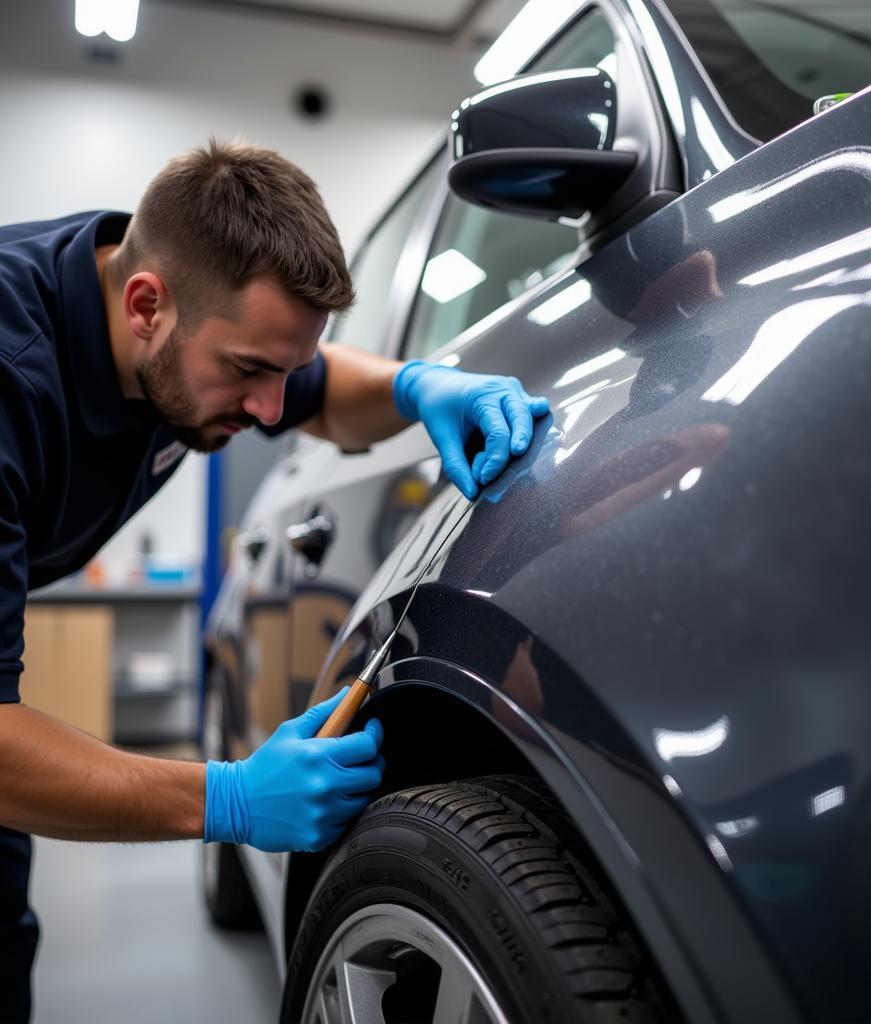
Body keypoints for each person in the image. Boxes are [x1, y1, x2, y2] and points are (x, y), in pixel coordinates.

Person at [0, 139, 549, 1020]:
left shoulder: (186, 322)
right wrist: (229, 798)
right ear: (147, 304)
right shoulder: (9, 373)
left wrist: (420, 387)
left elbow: (327, 393)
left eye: (280, 371)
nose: (269, 411)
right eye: (250, 371)